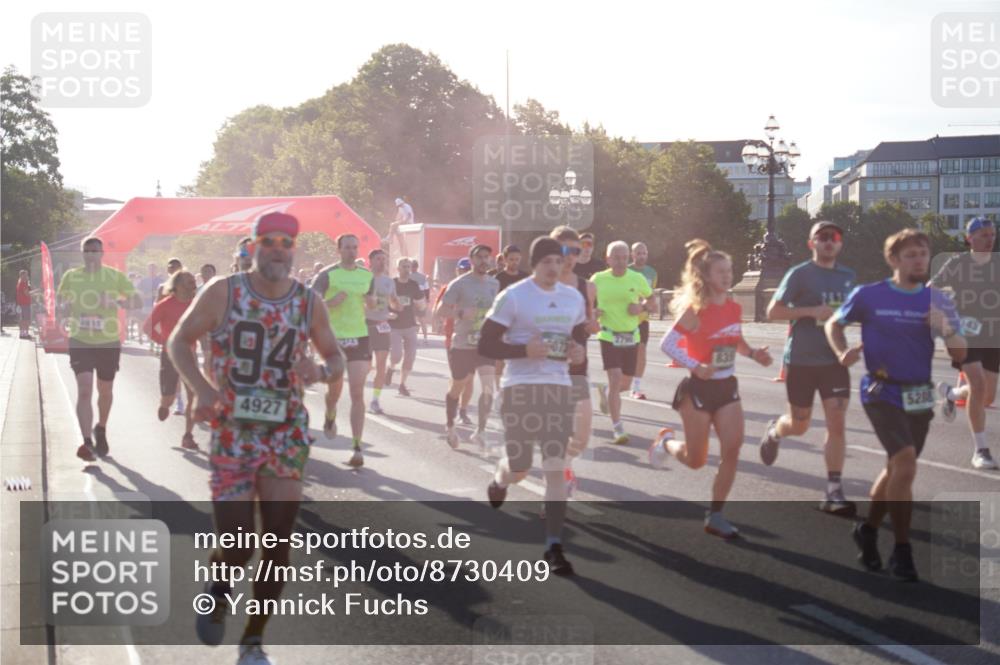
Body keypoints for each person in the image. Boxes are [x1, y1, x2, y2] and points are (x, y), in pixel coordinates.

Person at [168, 211, 345, 664]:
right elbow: (178, 341)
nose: (278, 250)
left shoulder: (308, 303)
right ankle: (218, 587)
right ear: (253, 245)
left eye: (287, 243)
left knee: (279, 541)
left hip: (285, 432)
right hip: (234, 432)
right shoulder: (223, 292)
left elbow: (336, 356)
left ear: (294, 251)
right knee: (238, 541)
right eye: (269, 241)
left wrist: (321, 372)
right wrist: (204, 390)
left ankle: (252, 640)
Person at [826, 228, 966, 581]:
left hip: (919, 393)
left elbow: (961, 354)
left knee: (896, 469)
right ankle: (902, 552)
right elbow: (833, 323)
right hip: (881, 390)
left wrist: (946, 328)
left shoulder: (938, 300)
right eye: (911, 255)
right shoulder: (870, 295)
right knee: (905, 462)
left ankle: (868, 529)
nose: (919, 260)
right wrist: (843, 351)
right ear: (893, 259)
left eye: (923, 253)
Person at [480, 236, 588, 575]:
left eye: (559, 260)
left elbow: (578, 340)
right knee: (521, 465)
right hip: (520, 388)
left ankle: (553, 545)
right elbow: (486, 344)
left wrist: (578, 353)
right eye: (547, 262)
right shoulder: (513, 296)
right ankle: (500, 479)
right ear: (534, 263)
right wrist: (522, 351)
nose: (555, 267)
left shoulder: (573, 297)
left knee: (555, 466)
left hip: (557, 388)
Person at [651, 240, 773, 539]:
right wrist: (695, 365)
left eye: (730, 271)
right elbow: (666, 343)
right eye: (721, 271)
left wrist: (754, 353)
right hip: (698, 389)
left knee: (732, 449)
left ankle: (715, 514)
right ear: (706, 276)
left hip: (727, 387)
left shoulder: (733, 307)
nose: (727, 276)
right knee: (696, 460)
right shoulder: (696, 310)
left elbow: (736, 340)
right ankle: (665, 443)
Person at [760, 220, 858, 515]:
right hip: (801, 360)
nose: (828, 241)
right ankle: (776, 431)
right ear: (811, 243)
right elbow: (773, 312)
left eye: (834, 237)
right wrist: (810, 311)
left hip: (834, 361)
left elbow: (852, 314)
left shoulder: (848, 277)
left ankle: (833, 490)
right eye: (822, 237)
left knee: (836, 423)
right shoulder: (800, 274)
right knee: (800, 424)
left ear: (840, 243)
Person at [57, 236, 143, 461]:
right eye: (87, 251)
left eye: (95, 251)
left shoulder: (114, 276)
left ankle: (101, 428)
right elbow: (60, 305)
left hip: (108, 341)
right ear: (82, 254)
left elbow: (138, 302)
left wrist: (116, 303)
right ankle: (86, 443)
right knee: (84, 389)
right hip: (80, 340)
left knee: (105, 390)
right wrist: (64, 307)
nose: (91, 255)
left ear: (102, 253)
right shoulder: (71, 277)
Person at [931, 216, 999, 470]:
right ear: (969, 238)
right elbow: (931, 289)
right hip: (964, 332)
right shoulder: (957, 263)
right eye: (983, 235)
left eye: (992, 234)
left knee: (987, 396)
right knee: (978, 384)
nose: (989, 239)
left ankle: (952, 393)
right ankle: (980, 450)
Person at [312, 234, 373, 467]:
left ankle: (356, 448)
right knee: (335, 391)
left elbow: (372, 301)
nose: (352, 251)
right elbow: (311, 303)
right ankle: (330, 413)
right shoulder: (327, 275)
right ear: (338, 250)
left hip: (359, 337)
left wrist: (372, 302)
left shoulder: (366, 276)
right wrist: (330, 302)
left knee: (357, 392)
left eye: (355, 247)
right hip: (333, 339)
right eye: (347, 247)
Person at [591, 241, 654, 445]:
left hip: (631, 336)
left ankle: (608, 393)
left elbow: (652, 302)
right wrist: (592, 313)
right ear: (607, 259)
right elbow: (585, 304)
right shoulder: (598, 279)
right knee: (616, 377)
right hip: (608, 336)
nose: (620, 262)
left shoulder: (637, 278)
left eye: (624, 258)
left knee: (624, 384)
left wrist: (641, 308)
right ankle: (618, 428)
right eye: (616, 257)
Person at [435, 244, 498, 448]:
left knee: (488, 388)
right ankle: (450, 425)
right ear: (472, 260)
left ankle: (480, 431)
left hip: (485, 345)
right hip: (462, 344)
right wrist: (461, 314)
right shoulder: (459, 284)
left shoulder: (494, 284)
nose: (483, 261)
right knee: (457, 387)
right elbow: (439, 311)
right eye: (479, 257)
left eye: (486, 257)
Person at [551, 226, 599, 496]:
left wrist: (593, 326)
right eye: (566, 250)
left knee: (581, 436)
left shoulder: (587, 286)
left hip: (577, 370)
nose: (571, 256)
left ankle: (567, 465)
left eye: (576, 251)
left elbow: (590, 324)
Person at [149, 269, 198, 450]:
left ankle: (188, 435)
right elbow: (148, 327)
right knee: (168, 398)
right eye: (188, 279)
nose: (193, 282)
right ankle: (164, 404)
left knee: (193, 394)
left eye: (193, 279)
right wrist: (165, 341)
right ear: (177, 285)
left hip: (190, 354)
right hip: (170, 354)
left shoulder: (197, 304)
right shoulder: (165, 304)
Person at [436, 258, 476, 423]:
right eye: (462, 269)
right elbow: (438, 309)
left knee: (470, 377)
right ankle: (453, 404)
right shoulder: (450, 287)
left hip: (474, 337)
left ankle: (463, 410)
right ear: (457, 271)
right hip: (452, 337)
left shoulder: (479, 289)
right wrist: (440, 321)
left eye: (468, 269)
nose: (465, 272)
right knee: (458, 377)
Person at [365, 249, 398, 415]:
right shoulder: (363, 279)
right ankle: (357, 396)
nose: (382, 262)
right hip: (364, 325)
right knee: (365, 366)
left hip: (383, 325)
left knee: (381, 365)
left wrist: (397, 306)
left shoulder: (389, 281)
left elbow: (393, 300)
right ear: (370, 261)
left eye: (384, 259)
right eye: (378, 259)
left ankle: (375, 400)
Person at [387, 257, 426, 397]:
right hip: (394, 326)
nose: (407, 269)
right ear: (397, 269)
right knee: (397, 355)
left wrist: (421, 306)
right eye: (404, 266)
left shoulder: (413, 284)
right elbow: (381, 302)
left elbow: (420, 302)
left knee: (410, 357)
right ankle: (391, 368)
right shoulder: (391, 283)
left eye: (408, 267)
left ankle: (402, 385)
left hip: (410, 325)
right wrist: (388, 313)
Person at [628, 241, 659, 399]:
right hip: (625, 320)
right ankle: (614, 386)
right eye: (638, 253)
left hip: (642, 320)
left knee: (641, 353)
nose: (641, 256)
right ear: (632, 255)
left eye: (644, 253)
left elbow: (651, 295)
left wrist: (650, 306)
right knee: (625, 355)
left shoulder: (652, 273)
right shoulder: (626, 270)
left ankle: (636, 387)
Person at [411, 260, 431, 342]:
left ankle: (414, 337)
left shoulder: (408, 276)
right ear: (417, 267)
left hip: (411, 300)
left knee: (413, 319)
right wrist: (427, 299)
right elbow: (427, 289)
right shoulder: (423, 277)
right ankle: (425, 337)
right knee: (422, 319)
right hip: (421, 300)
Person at [16, 269, 32, 339]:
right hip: (24, 304)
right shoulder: (23, 283)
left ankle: (23, 334)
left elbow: (27, 292)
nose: (27, 276)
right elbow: (27, 293)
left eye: (27, 274)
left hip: (22, 303)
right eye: (26, 274)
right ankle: (25, 334)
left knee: (22, 319)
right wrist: (36, 293)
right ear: (22, 275)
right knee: (26, 319)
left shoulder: (21, 282)